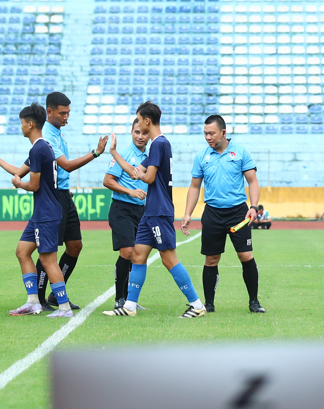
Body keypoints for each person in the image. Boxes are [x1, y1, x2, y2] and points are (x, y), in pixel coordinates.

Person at [103, 101, 206, 318]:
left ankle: (197, 304)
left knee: (169, 259)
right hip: (150, 212)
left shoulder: (159, 144)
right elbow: (135, 172)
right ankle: (130, 306)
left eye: (139, 120)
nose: (139, 126)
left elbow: (147, 177)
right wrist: (114, 152)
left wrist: (140, 175)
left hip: (159, 210)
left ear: (147, 121)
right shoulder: (157, 145)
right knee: (138, 256)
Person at [0, 102, 74, 318]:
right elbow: (19, 171)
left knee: (48, 260)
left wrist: (19, 185)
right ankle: (33, 302)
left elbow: (33, 185)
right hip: (42, 213)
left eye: (21, 124)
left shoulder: (38, 148)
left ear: (30, 124)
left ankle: (64, 308)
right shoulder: (42, 146)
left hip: (46, 213)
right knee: (22, 251)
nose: (20, 127)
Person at [182, 115, 264, 314]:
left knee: (245, 255)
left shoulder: (240, 152)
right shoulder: (202, 157)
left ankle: (254, 302)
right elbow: (194, 187)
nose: (208, 137)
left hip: (238, 213)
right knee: (211, 259)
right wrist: (187, 214)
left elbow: (252, 181)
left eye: (211, 133)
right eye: (205, 133)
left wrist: (253, 207)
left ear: (223, 133)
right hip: (212, 214)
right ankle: (209, 304)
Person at [37, 92, 108, 311]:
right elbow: (65, 165)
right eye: (62, 113)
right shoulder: (47, 134)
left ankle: (55, 295)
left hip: (65, 194)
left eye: (68, 112)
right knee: (48, 250)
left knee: (75, 245)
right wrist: (95, 153)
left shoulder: (58, 132)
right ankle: (39, 298)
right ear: (49, 112)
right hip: (54, 196)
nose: (66, 116)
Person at [102, 119, 149, 309]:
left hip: (142, 211)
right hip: (122, 208)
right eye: (136, 132)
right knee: (128, 252)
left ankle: (130, 300)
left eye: (144, 133)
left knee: (138, 254)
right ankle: (119, 298)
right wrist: (130, 192)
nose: (140, 136)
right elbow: (107, 181)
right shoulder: (123, 154)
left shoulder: (151, 155)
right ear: (131, 132)